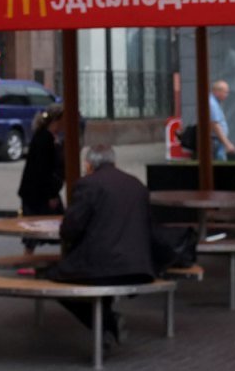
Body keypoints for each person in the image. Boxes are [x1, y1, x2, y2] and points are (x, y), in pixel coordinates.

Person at [46, 144, 153, 349]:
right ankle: (106, 327)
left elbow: (70, 229)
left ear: (88, 165)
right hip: (139, 266)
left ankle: (107, 323)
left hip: (103, 267)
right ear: (114, 162)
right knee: (95, 272)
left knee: (51, 278)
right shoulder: (137, 184)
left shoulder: (88, 184)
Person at [18, 105, 66, 216]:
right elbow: (43, 170)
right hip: (39, 196)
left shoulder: (46, 137)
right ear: (57, 120)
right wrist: (51, 195)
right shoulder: (45, 139)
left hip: (39, 193)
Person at [208, 80, 235, 160]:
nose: (227, 95)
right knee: (219, 164)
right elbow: (215, 125)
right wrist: (227, 143)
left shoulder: (214, 103)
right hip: (216, 141)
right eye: (225, 92)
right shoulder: (212, 104)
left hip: (217, 141)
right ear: (217, 92)